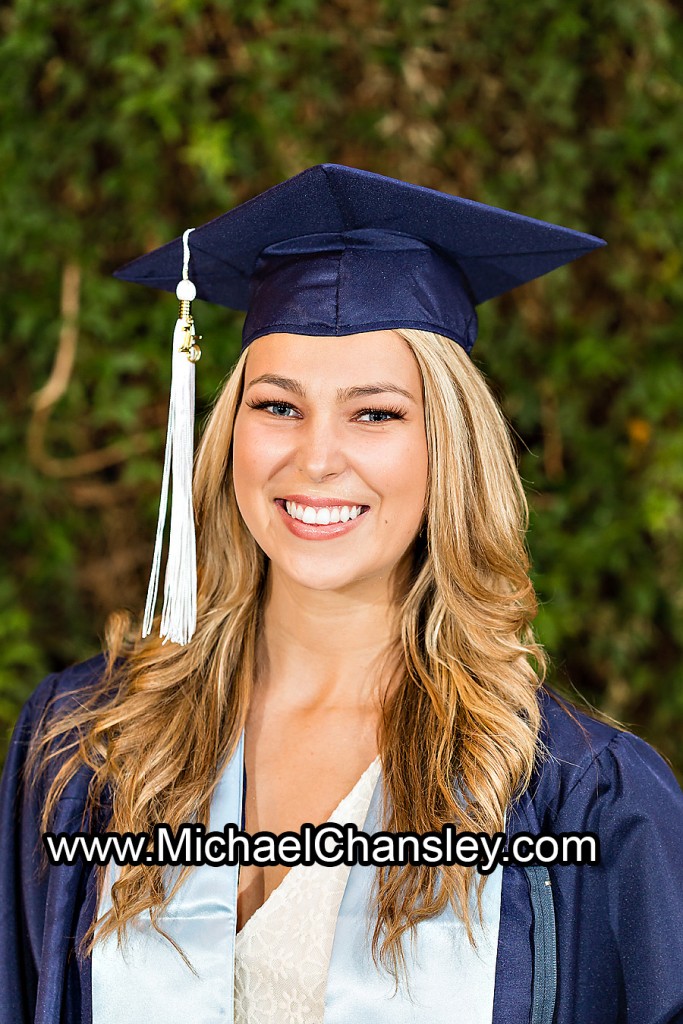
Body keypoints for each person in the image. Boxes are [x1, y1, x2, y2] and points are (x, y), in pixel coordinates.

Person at [1, 164, 682, 1024]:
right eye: (278, 406)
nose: (316, 458)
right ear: (225, 437)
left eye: (375, 414)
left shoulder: (577, 794)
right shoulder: (89, 751)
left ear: (449, 448)